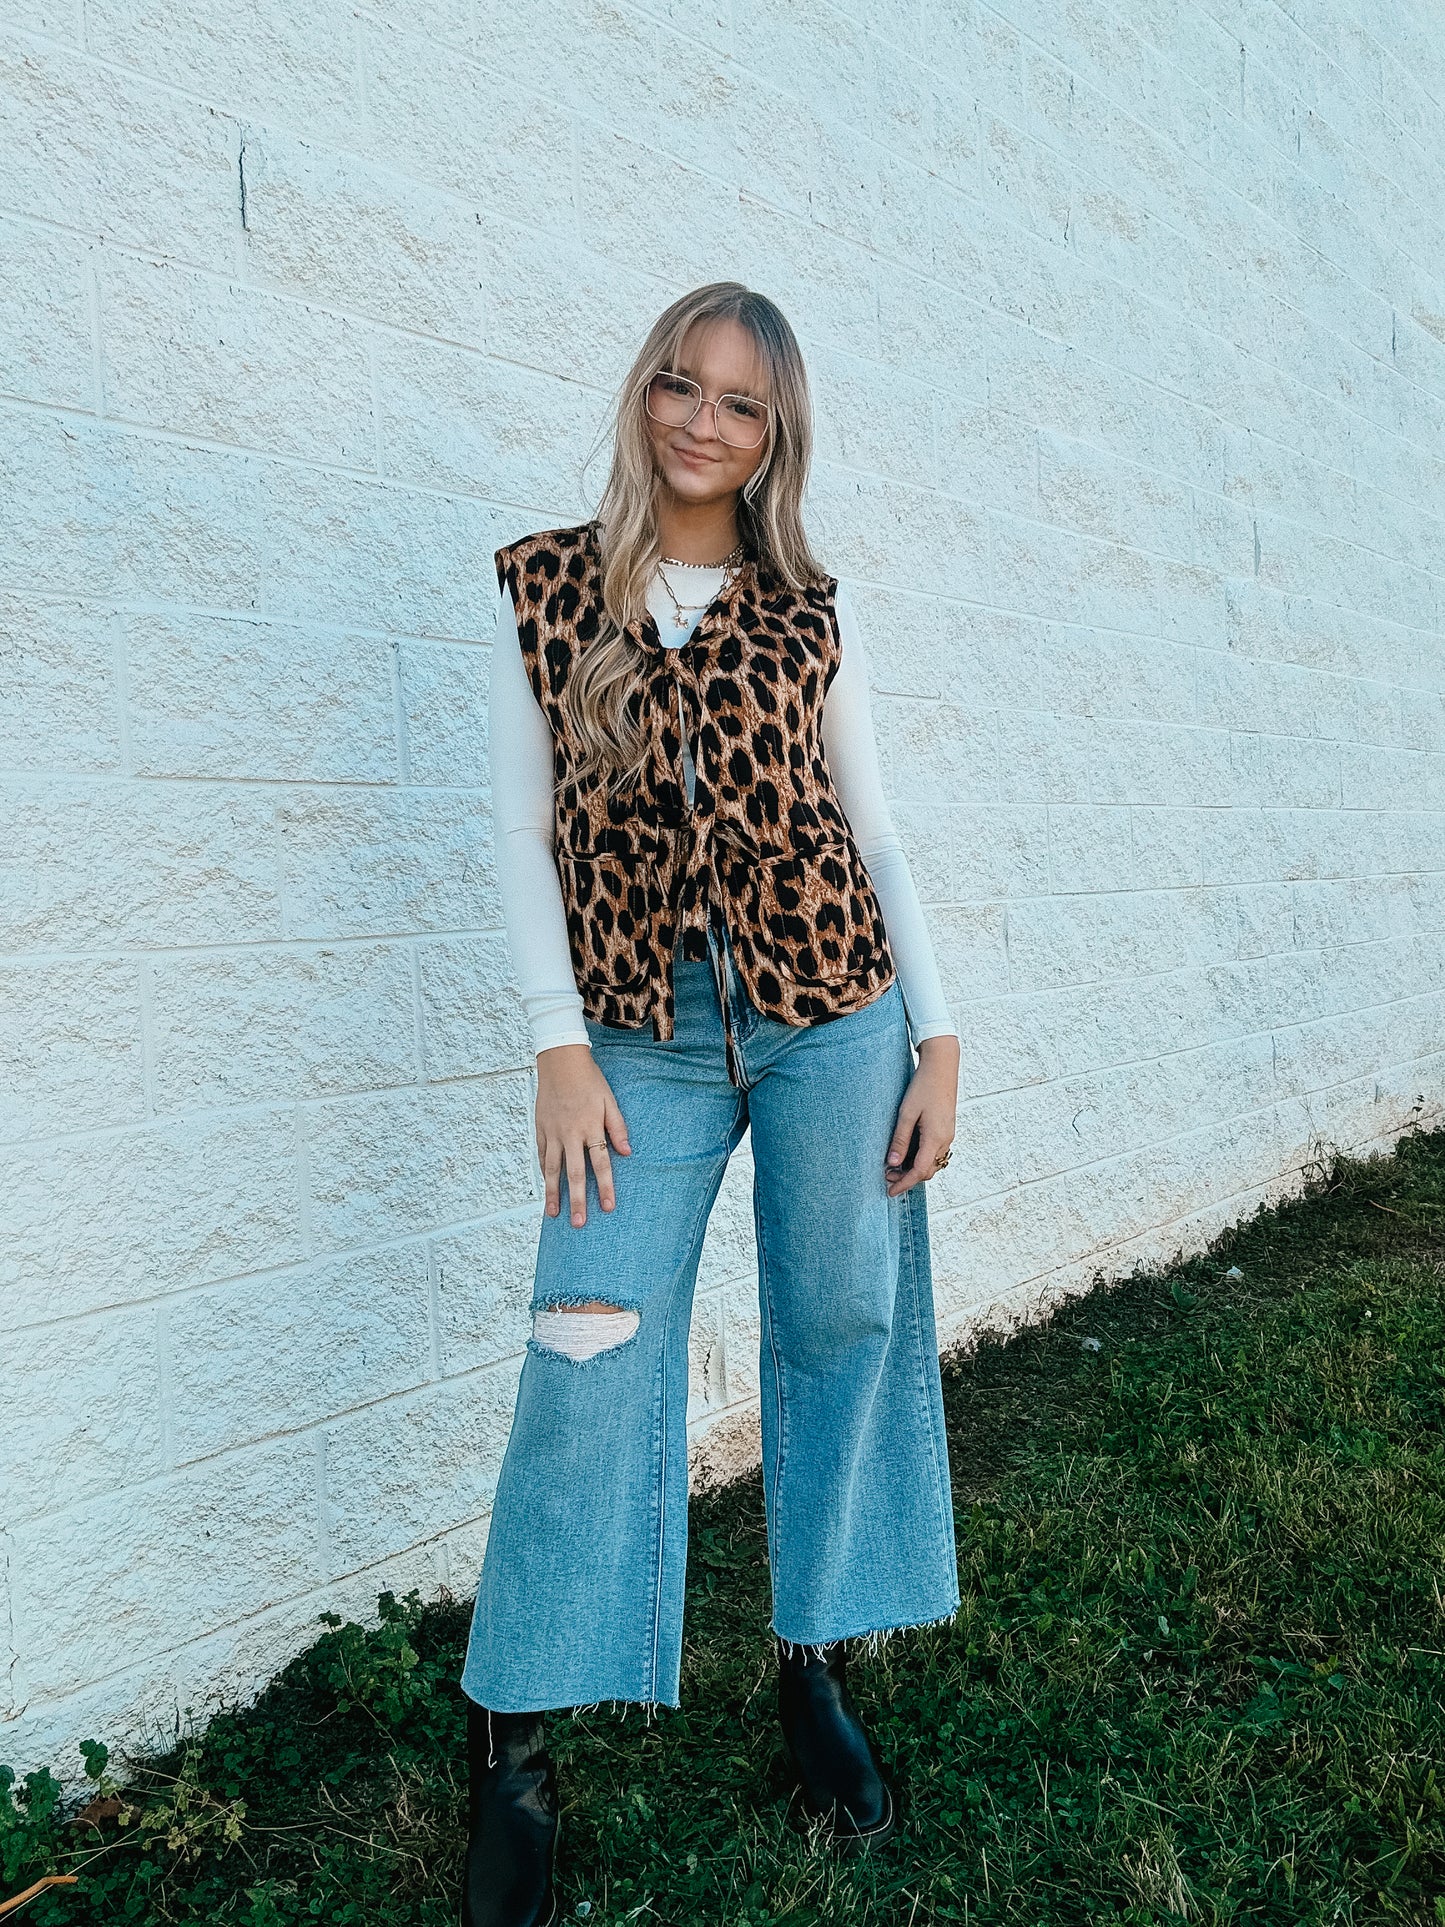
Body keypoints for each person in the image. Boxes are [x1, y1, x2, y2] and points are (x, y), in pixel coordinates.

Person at [459, 281, 962, 1927]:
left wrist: (936, 1036)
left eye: (740, 404)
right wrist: (555, 1043)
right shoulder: (546, 588)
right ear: (643, 397)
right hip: (639, 1034)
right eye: (681, 385)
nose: (701, 421)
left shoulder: (809, 604)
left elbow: (869, 832)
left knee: (844, 1320)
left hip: (833, 1012)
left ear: (773, 438)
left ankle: (809, 1658)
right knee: (586, 1338)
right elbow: (521, 836)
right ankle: (513, 1743)